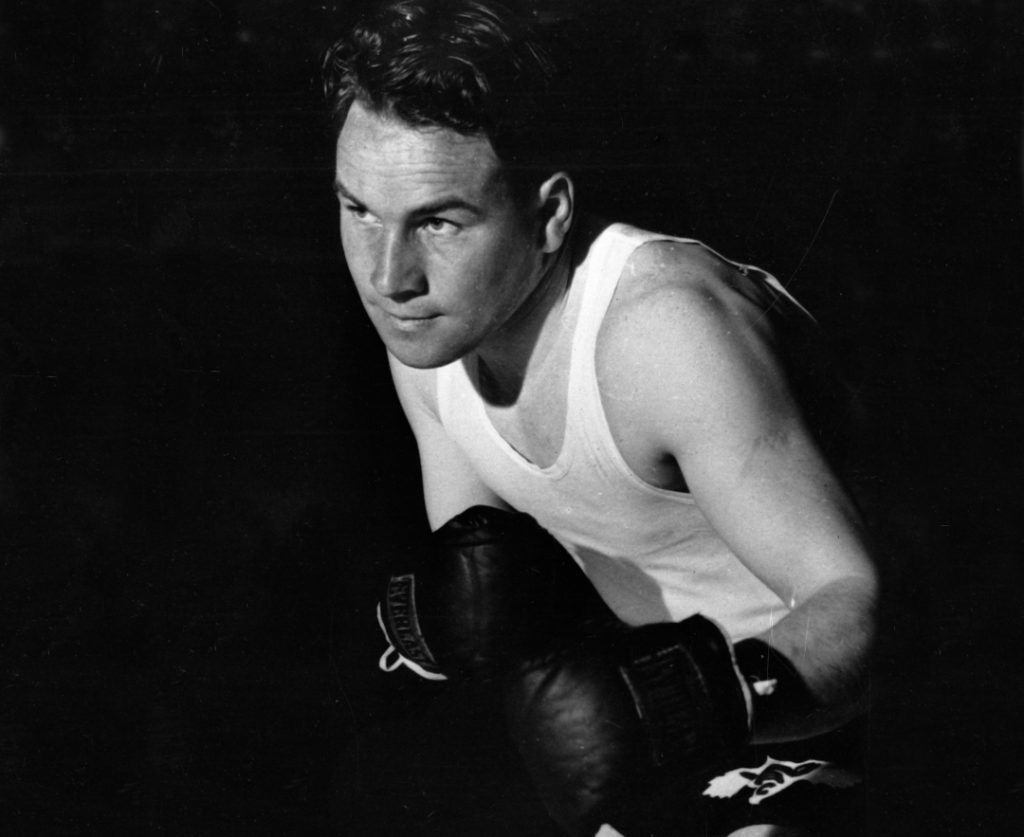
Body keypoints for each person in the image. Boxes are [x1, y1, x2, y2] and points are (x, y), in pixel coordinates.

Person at [324, 1, 879, 835]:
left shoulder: (662, 333)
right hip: (665, 731)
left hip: (852, 709)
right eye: (359, 209)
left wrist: (683, 706)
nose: (388, 274)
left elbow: (862, 604)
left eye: (438, 221)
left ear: (550, 216)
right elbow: (491, 590)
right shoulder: (430, 333)